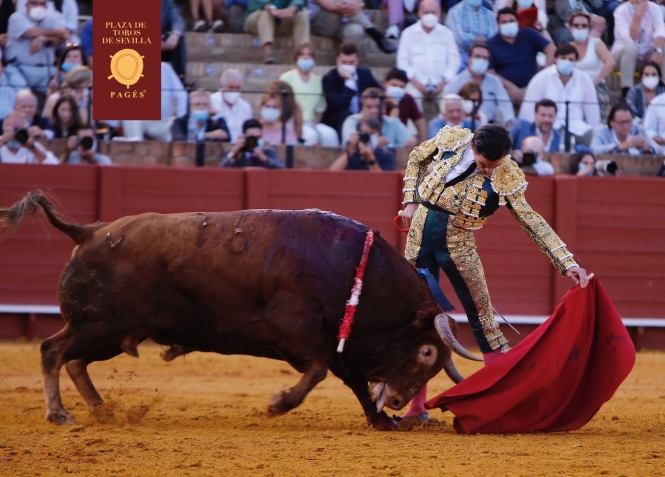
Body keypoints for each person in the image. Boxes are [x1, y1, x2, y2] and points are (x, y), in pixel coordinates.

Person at [398, 123, 587, 421]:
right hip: (419, 235)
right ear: (473, 146)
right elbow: (417, 156)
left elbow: (531, 220)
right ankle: (417, 406)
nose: (489, 171)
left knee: (483, 317)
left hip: (458, 245)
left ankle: (498, 405)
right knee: (416, 319)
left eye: (494, 166)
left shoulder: (507, 173)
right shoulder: (453, 139)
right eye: (485, 165)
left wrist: (566, 262)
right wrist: (409, 200)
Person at [519, 43, 600, 147]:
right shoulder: (541, 78)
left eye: (571, 60)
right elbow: (528, 109)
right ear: (555, 59)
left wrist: (594, 130)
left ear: (576, 62)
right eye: (563, 58)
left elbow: (592, 110)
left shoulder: (584, 79)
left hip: (578, 127)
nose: (567, 62)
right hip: (549, 125)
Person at [397, 0, 461, 113]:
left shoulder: (447, 34)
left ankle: (450, 130)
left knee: (453, 102)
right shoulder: (408, 34)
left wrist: (443, 82)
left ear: (439, 13)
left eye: (433, 12)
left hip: (442, 84)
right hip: (415, 83)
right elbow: (402, 63)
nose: (430, 15)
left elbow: (454, 61)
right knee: (410, 98)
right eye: (427, 12)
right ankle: (414, 131)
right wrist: (417, 83)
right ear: (419, 13)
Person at [486, 7, 554, 102]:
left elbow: (551, 49)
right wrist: (509, 86)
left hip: (532, 88)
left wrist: (545, 73)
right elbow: (490, 72)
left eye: (511, 21)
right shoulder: (491, 44)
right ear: (498, 25)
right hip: (504, 91)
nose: (508, 24)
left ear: (517, 22)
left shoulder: (528, 34)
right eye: (504, 22)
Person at [280, 43, 339, 146]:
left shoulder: (318, 80)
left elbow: (319, 110)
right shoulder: (286, 78)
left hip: (312, 123)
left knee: (331, 135)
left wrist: (314, 125)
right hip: (292, 123)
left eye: (309, 54)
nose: (306, 57)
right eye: (302, 54)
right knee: (311, 136)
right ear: (296, 58)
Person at [4, 0, 69, 95]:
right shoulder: (17, 17)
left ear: (46, 7)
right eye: (34, 3)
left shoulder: (52, 19)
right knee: (24, 96)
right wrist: (55, 33)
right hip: (19, 68)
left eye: (42, 4)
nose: (38, 7)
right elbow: (32, 32)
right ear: (26, 5)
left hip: (46, 70)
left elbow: (63, 36)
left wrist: (42, 38)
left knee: (63, 93)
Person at [444, 42, 515, 127]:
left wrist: (509, 120)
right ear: (469, 59)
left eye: (485, 58)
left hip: (489, 126)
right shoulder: (456, 81)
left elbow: (504, 103)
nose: (481, 60)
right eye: (478, 57)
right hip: (464, 126)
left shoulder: (495, 81)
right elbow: (447, 105)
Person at [321, 42, 381, 138]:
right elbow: (340, 105)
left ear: (357, 61)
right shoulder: (329, 78)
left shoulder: (365, 74)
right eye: (344, 62)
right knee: (345, 114)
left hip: (363, 116)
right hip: (338, 120)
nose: (348, 65)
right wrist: (349, 82)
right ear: (338, 61)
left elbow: (380, 91)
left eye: (351, 62)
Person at [611, 0, 665, 100]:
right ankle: (626, 90)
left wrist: (658, 51)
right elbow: (631, 38)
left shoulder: (655, 9)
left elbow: (660, 31)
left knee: (662, 48)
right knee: (632, 47)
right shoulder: (620, 11)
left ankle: (662, 87)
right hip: (623, 56)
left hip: (646, 54)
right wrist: (638, 15)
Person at [122, 62, 187, 141]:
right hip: (139, 121)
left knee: (176, 133)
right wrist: (116, 123)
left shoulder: (164, 68)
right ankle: (135, 148)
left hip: (163, 121)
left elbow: (181, 94)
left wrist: (179, 119)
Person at [568, 12, 614, 115]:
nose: (580, 28)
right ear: (570, 28)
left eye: (584, 25)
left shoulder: (596, 43)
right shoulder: (567, 47)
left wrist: (595, 82)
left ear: (589, 28)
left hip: (596, 86)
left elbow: (610, 62)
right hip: (574, 87)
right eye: (576, 25)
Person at [308, 0, 396, 54]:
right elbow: (331, 7)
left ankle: (344, 61)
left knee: (356, 30)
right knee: (342, 2)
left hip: (342, 21)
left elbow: (360, 3)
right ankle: (376, 36)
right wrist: (347, 5)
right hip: (321, 22)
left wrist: (356, 5)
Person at [340, 87, 416, 148]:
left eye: (377, 107)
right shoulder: (352, 121)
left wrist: (411, 143)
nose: (373, 111)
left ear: (384, 108)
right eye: (369, 107)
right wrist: (376, 143)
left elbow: (410, 142)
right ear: (362, 108)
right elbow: (348, 144)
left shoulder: (393, 122)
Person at [244, 0, 310, 64]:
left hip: (282, 20)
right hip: (256, 20)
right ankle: (268, 53)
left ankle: (303, 53)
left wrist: (291, 9)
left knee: (302, 13)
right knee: (265, 13)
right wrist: (272, 9)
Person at [329, 116, 396, 171]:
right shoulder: (351, 151)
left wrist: (370, 158)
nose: (368, 138)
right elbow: (332, 173)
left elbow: (384, 182)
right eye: (365, 134)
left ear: (378, 135)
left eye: (371, 134)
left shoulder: (386, 155)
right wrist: (350, 151)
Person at [445, 0, 498, 67]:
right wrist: (482, 39)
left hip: (485, 53)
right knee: (459, 65)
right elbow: (460, 39)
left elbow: (493, 38)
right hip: (463, 53)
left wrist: (475, 40)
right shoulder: (455, 12)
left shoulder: (489, 14)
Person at [591, 102, 657, 155]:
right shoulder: (602, 133)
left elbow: (659, 149)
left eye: (628, 121)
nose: (626, 126)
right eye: (621, 122)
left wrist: (649, 149)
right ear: (612, 123)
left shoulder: (639, 130)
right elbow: (593, 150)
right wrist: (619, 147)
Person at [210, 69, 254, 144]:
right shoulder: (211, 102)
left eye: (237, 88)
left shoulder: (246, 107)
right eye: (231, 87)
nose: (234, 90)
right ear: (221, 86)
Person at [383, 67, 427, 142]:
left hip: (401, 140)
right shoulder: (377, 98)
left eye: (401, 87)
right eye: (394, 85)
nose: (397, 89)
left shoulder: (407, 98)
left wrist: (423, 146)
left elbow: (420, 122)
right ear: (385, 84)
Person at [161, 0, 186, 83]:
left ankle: (179, 80)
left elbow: (177, 20)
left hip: (162, 44)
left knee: (179, 39)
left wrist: (175, 35)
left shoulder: (165, 2)